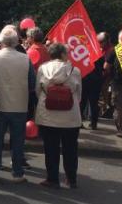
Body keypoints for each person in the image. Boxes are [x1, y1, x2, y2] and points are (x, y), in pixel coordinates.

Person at [0, 25, 35, 183]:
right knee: (18, 141)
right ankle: (17, 173)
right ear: (16, 41)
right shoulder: (26, 59)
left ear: (1, 41)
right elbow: (32, 83)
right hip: (19, 105)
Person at [35, 43, 82, 189]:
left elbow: (38, 90)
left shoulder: (43, 69)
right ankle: (71, 179)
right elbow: (78, 94)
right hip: (70, 116)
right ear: (62, 54)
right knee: (71, 148)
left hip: (47, 115)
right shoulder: (75, 71)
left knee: (51, 148)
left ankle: (52, 178)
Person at [97, 32, 114, 118]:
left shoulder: (111, 50)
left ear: (107, 41)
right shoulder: (99, 49)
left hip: (107, 76)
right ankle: (103, 108)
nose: (99, 43)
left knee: (105, 92)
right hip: (99, 75)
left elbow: (108, 66)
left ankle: (106, 108)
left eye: (101, 41)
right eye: (98, 41)